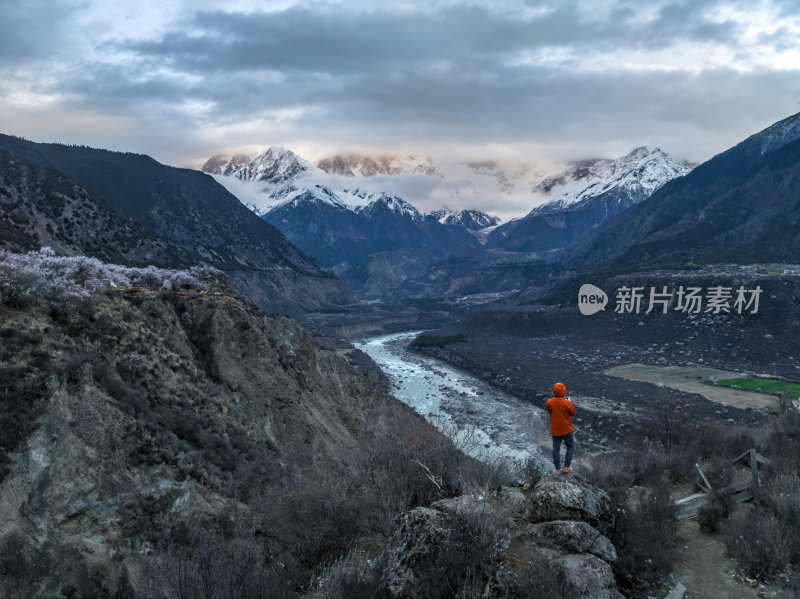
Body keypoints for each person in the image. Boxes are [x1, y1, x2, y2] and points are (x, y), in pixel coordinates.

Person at [546, 382, 576, 474]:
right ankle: (566, 467)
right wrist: (569, 402)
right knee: (570, 446)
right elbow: (573, 413)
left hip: (555, 429)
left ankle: (557, 469)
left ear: (554, 391)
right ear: (564, 391)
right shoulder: (567, 402)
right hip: (566, 429)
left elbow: (550, 411)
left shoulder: (549, 402)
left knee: (556, 449)